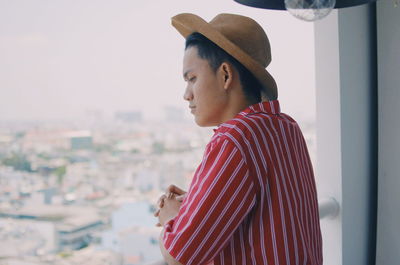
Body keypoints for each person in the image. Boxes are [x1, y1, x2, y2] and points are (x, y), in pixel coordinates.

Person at [154, 13, 322, 265]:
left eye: (192, 79)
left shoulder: (233, 140)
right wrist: (199, 202)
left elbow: (181, 256)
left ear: (225, 75)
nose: (186, 95)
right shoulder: (286, 126)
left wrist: (171, 218)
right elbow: (269, 208)